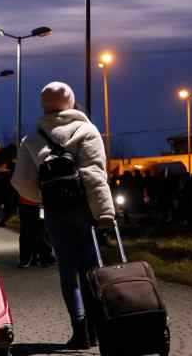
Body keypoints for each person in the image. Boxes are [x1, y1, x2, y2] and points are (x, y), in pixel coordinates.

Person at [12, 81, 116, 350]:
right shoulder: (86, 130)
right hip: (84, 211)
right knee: (91, 270)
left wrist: (43, 197)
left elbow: (22, 182)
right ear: (71, 101)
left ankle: (79, 329)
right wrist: (105, 213)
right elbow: (95, 175)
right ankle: (97, 328)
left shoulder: (31, 139)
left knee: (67, 271)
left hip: (56, 212)